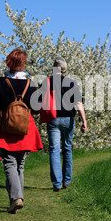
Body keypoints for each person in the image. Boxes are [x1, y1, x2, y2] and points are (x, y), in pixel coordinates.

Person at [0, 48, 43, 214]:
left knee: (9, 163)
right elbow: (37, 108)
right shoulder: (30, 84)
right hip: (26, 129)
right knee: (20, 164)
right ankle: (18, 198)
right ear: (24, 63)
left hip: (5, 128)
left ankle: (16, 198)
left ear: (9, 62)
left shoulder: (0, 83)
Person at [45, 57, 87, 192]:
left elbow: (40, 100)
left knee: (54, 150)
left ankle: (57, 183)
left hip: (53, 119)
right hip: (68, 118)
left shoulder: (48, 82)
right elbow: (79, 104)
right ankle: (66, 181)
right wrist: (84, 121)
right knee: (67, 149)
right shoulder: (71, 83)